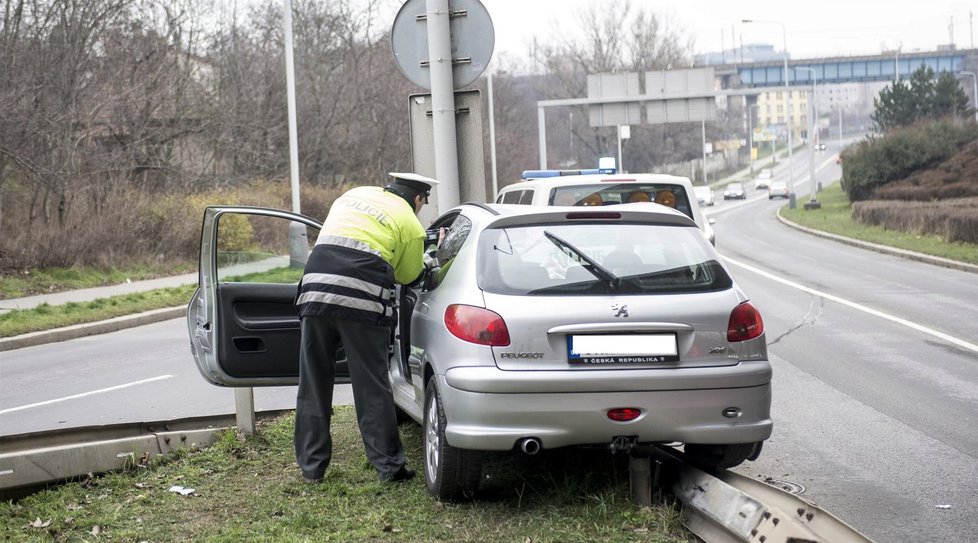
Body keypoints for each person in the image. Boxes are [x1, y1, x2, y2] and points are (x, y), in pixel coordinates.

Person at [293, 172, 438, 484]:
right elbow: (410, 277)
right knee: (370, 384)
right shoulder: (410, 223)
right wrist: (428, 262)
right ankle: (390, 468)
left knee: (313, 381)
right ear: (417, 199)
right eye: (422, 204)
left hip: (315, 292)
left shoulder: (353, 195)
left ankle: (311, 468)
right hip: (360, 302)